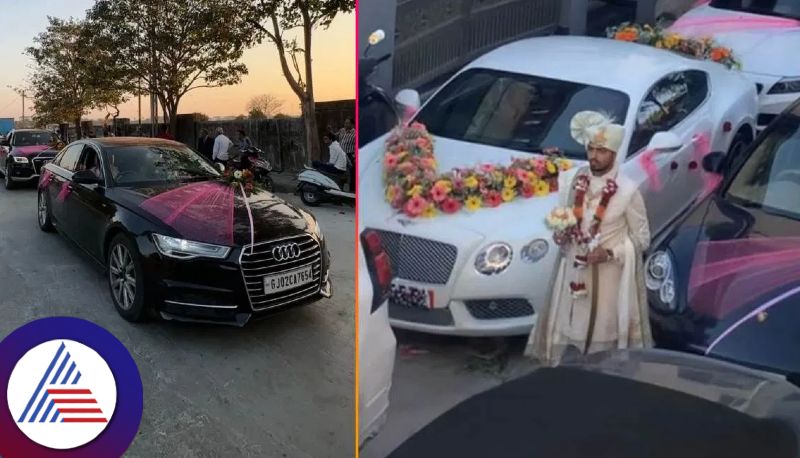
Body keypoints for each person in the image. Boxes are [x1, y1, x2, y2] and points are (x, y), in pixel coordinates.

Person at [525, 110, 652, 366]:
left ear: (614, 154)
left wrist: (609, 253)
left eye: (601, 151)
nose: (593, 156)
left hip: (606, 280)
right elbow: (564, 217)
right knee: (567, 331)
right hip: (572, 271)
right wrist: (560, 234)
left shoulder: (628, 191)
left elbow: (642, 239)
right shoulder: (573, 180)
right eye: (591, 148)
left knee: (601, 348)